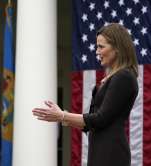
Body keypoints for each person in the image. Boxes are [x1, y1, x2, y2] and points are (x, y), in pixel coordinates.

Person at [32, 23, 139, 166]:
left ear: (117, 48)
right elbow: (91, 124)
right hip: (99, 152)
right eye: (97, 47)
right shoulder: (113, 78)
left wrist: (63, 115)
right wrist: (61, 117)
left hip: (111, 154)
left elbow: (100, 119)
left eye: (101, 47)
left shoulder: (124, 77)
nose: (97, 51)